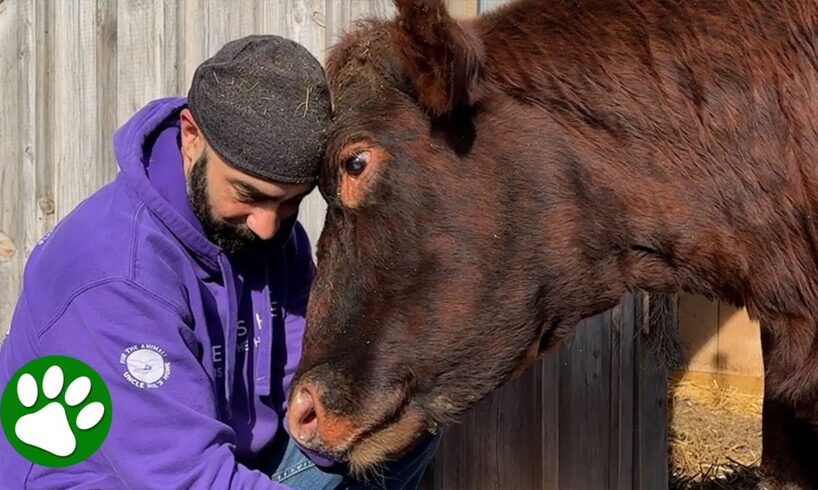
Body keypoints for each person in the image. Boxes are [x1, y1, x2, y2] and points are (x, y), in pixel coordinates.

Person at [0, 34, 439, 489]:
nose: (268, 225)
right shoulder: (116, 274)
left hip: (228, 460)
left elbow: (304, 371)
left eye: (290, 202)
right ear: (191, 137)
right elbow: (188, 478)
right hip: (121, 479)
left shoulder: (263, 232)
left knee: (402, 422)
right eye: (249, 194)